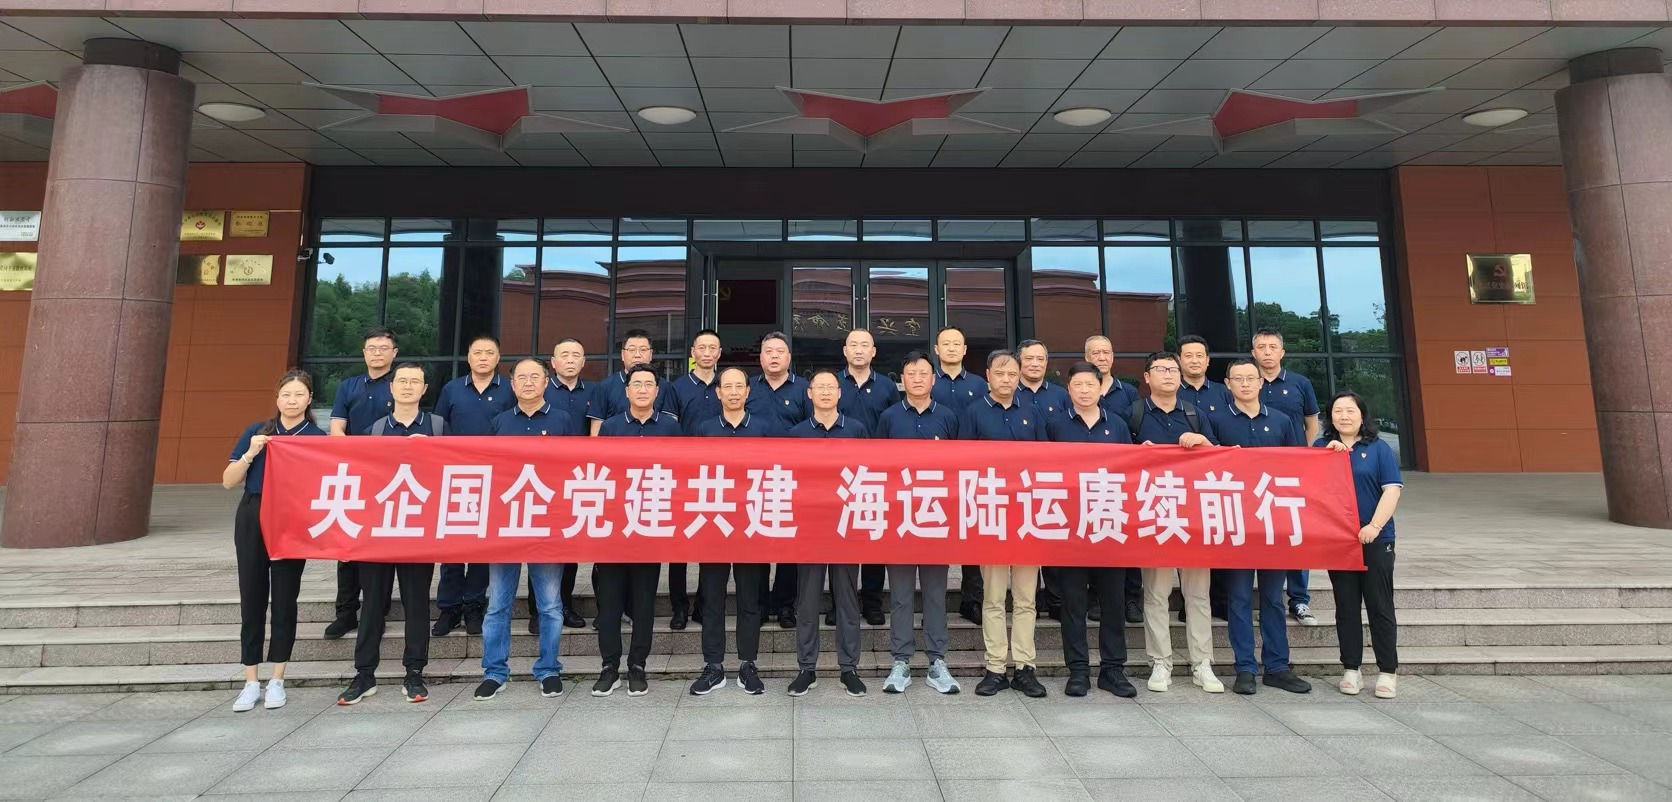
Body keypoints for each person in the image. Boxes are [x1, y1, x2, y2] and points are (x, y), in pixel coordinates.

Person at [338, 362, 442, 706]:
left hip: (419, 531)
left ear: (424, 389)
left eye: (415, 382)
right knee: (372, 605)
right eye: (402, 381)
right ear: (391, 388)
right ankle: (364, 674)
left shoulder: (439, 427)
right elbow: (361, 476)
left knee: (417, 604)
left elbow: (451, 474)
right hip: (378, 531)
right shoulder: (375, 429)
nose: (408, 386)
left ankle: (415, 672)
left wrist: (432, 451)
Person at [1207, 358, 1312, 696]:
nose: (1246, 384)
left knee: (1272, 598)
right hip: (1235, 522)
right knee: (1238, 598)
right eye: (1238, 378)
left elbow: (1299, 467)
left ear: (1260, 383)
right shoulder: (1215, 420)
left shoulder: (1281, 420)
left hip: (1272, 521)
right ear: (1228, 384)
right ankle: (1245, 668)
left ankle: (1277, 667)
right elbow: (1205, 468)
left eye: (1251, 378)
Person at [222, 369, 323, 712]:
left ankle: (277, 678)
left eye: (299, 394)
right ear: (277, 398)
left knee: (284, 599)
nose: (292, 401)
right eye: (286, 394)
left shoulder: (316, 437)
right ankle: (251, 680)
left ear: (309, 399)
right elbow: (228, 480)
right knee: (251, 597)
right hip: (253, 513)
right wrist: (250, 453)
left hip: (291, 519)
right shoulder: (258, 431)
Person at [473, 358, 574, 702]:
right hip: (506, 525)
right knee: (497, 605)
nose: (529, 382)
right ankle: (494, 672)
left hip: (548, 525)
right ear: (512, 384)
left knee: (550, 605)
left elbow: (575, 468)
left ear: (546, 382)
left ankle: (548, 669)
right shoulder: (499, 422)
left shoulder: (563, 420)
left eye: (535, 377)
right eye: (522, 378)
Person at [1129, 351, 1224, 694]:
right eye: (1160, 369)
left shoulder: (1195, 414)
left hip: (1193, 516)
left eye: (1173, 369)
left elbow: (1221, 460)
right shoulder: (1134, 414)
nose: (1168, 374)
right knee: (1156, 593)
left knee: (1197, 594)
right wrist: (1138, 452)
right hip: (1153, 515)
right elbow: (1116, 464)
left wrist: (1203, 442)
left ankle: (1202, 662)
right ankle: (1160, 661)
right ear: (1147, 377)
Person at [959, 349, 1048, 699]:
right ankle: (995, 666)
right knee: (994, 598)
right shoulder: (973, 412)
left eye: (1013, 373)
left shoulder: (1032, 411)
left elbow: (1047, 461)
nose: (1007, 379)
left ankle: (1025, 666)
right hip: (992, 516)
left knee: (1026, 598)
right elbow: (963, 463)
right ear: (988, 376)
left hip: (1026, 517)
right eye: (1000, 373)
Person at [1045, 361, 1137, 699]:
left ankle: (1113, 670)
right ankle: (1078, 670)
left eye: (1090, 385)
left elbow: (1131, 472)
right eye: (1078, 385)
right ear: (1068, 389)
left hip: (1109, 524)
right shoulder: (1055, 425)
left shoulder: (1119, 425)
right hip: (1070, 527)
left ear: (1101, 388)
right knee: (1073, 604)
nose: (1084, 390)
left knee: (1113, 602)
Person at [876, 351, 960, 695]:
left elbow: (960, 467)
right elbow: (878, 467)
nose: (917, 379)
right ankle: (901, 661)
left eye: (923, 373)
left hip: (936, 520)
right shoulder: (889, 417)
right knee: (900, 595)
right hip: (899, 520)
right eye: (911, 374)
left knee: (936, 594)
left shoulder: (949, 417)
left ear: (933, 379)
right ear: (902, 379)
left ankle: (937, 661)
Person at [593, 364, 680, 697]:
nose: (643, 389)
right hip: (615, 527)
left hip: (650, 526)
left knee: (644, 602)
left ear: (657, 391)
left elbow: (680, 474)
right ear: (627, 391)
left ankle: (638, 665)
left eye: (649, 384)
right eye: (637, 384)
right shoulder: (612, 426)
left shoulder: (671, 428)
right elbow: (600, 473)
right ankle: (609, 666)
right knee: (610, 603)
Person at [783, 370, 870, 697]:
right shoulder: (796, 434)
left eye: (830, 387)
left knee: (847, 600)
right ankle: (807, 668)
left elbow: (868, 474)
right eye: (819, 387)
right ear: (809, 394)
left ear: (839, 393)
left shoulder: (856, 430)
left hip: (846, 527)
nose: (825, 392)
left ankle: (849, 668)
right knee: (807, 602)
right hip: (809, 530)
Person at [688, 367, 774, 695]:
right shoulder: (705, 428)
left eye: (740, 386)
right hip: (714, 524)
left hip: (751, 525)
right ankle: (713, 666)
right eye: (728, 386)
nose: (734, 392)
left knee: (750, 600)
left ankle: (748, 664)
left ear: (748, 392)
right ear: (718, 392)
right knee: (713, 599)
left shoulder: (764, 428)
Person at [1318, 390, 1404, 699]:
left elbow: (1392, 490)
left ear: (1362, 415)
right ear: (1330, 417)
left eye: (1350, 410)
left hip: (1376, 539)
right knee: (1346, 606)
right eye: (1337, 411)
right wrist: (1328, 457)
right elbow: (1311, 489)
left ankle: (1387, 671)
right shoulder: (1321, 447)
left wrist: (1374, 526)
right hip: (1339, 541)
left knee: (1380, 605)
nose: (1344, 416)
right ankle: (1351, 669)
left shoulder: (1378, 448)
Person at [430, 335, 512, 638]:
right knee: (452, 544)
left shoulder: (509, 389)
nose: (483, 357)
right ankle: (448, 608)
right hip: (456, 475)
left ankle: (474, 605)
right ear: (468, 356)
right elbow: (438, 427)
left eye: (489, 353)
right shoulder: (452, 389)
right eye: (478, 352)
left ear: (498, 358)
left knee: (481, 544)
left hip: (494, 476)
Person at [322, 327, 398, 640]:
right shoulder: (348, 386)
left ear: (394, 353)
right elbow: (336, 429)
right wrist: (359, 455)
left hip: (389, 478)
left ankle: (377, 612)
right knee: (347, 544)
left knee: (382, 546)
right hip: (353, 475)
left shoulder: (400, 384)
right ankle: (346, 612)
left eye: (384, 348)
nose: (377, 353)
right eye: (372, 348)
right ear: (364, 352)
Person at [1251, 328, 1323, 628]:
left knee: (1295, 532)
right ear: (1253, 352)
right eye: (1261, 347)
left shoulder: (1299, 383)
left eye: (1273, 347)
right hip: (1253, 475)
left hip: (1291, 473)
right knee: (1259, 533)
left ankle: (1299, 599)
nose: (1267, 352)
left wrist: (1303, 456)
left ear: (1282, 352)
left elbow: (1311, 424)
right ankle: (1265, 598)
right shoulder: (1246, 382)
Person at [657, 329, 725, 631]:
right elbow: (670, 430)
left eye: (712, 348)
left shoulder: (728, 385)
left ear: (719, 353)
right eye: (702, 348)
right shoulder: (677, 387)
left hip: (719, 475)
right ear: (693, 353)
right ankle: (679, 608)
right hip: (684, 474)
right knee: (680, 547)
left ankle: (703, 605)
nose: (707, 353)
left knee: (712, 542)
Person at [746, 331, 810, 628]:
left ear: (789, 357)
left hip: (792, 477)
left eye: (779, 351)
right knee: (757, 541)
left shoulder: (804, 389)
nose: (774, 356)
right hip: (755, 477)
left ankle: (785, 604)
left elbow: (811, 428)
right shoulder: (748, 388)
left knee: (790, 545)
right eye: (768, 351)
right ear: (760, 357)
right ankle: (759, 604)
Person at [836, 328, 898, 626]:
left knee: (874, 540)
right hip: (839, 473)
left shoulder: (886, 386)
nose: (859, 350)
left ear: (873, 352)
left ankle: (872, 602)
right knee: (842, 540)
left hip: (876, 474)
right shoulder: (832, 383)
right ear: (845, 351)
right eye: (853, 345)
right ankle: (841, 604)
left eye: (865, 345)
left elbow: (893, 424)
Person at [932, 326, 990, 625]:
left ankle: (972, 600)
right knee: (935, 532)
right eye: (946, 344)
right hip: (934, 473)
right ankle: (934, 603)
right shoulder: (927, 380)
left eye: (957, 344)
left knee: (972, 536)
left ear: (965, 350)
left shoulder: (979, 384)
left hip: (972, 470)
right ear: (936, 349)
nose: (952, 348)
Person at [1085, 334, 1143, 625]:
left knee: (1127, 540)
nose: (1101, 357)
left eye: (1106, 352)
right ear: (1087, 358)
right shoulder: (1081, 389)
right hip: (1087, 480)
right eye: (1095, 352)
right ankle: (1095, 597)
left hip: (1122, 478)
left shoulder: (1129, 392)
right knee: (1095, 540)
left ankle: (1131, 599)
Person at [1178, 334, 1234, 621]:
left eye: (1199, 355)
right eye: (1188, 355)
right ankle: (1188, 604)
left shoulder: (1224, 393)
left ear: (1208, 360)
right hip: (1183, 482)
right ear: (1179, 360)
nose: (1194, 360)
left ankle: (1221, 601)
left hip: (1218, 479)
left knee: (1219, 538)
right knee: (1188, 542)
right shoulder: (1173, 392)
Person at [544, 337, 596, 630]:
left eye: (576, 355)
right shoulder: (542, 389)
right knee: (543, 545)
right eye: (564, 355)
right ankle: (540, 610)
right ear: (553, 362)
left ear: (583, 362)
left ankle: (564, 604)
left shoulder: (593, 392)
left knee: (570, 545)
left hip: (578, 478)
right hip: (546, 478)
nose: (570, 360)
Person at [1017, 338, 1070, 621]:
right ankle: (1030, 600)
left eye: (1040, 359)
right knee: (1026, 543)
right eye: (1029, 359)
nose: (1035, 364)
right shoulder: (1010, 393)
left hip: (1054, 481)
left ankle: (1056, 600)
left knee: (1052, 540)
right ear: (1019, 362)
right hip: (1018, 483)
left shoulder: (1061, 395)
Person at [587, 328, 656, 435]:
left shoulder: (663, 386)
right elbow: (596, 431)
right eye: (632, 350)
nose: (637, 355)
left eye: (643, 350)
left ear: (651, 354)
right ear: (623, 354)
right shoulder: (605, 387)